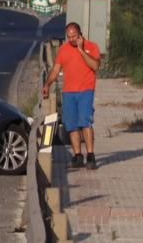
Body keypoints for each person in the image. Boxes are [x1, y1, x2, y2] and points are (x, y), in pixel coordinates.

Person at [42, 22, 102, 170]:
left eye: (74, 36)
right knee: (72, 125)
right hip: (68, 92)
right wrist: (47, 84)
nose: (71, 40)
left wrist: (81, 50)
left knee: (85, 122)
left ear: (80, 34)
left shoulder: (92, 47)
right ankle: (77, 155)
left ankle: (90, 155)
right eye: (69, 37)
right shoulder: (63, 50)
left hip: (86, 91)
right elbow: (56, 70)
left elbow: (95, 66)